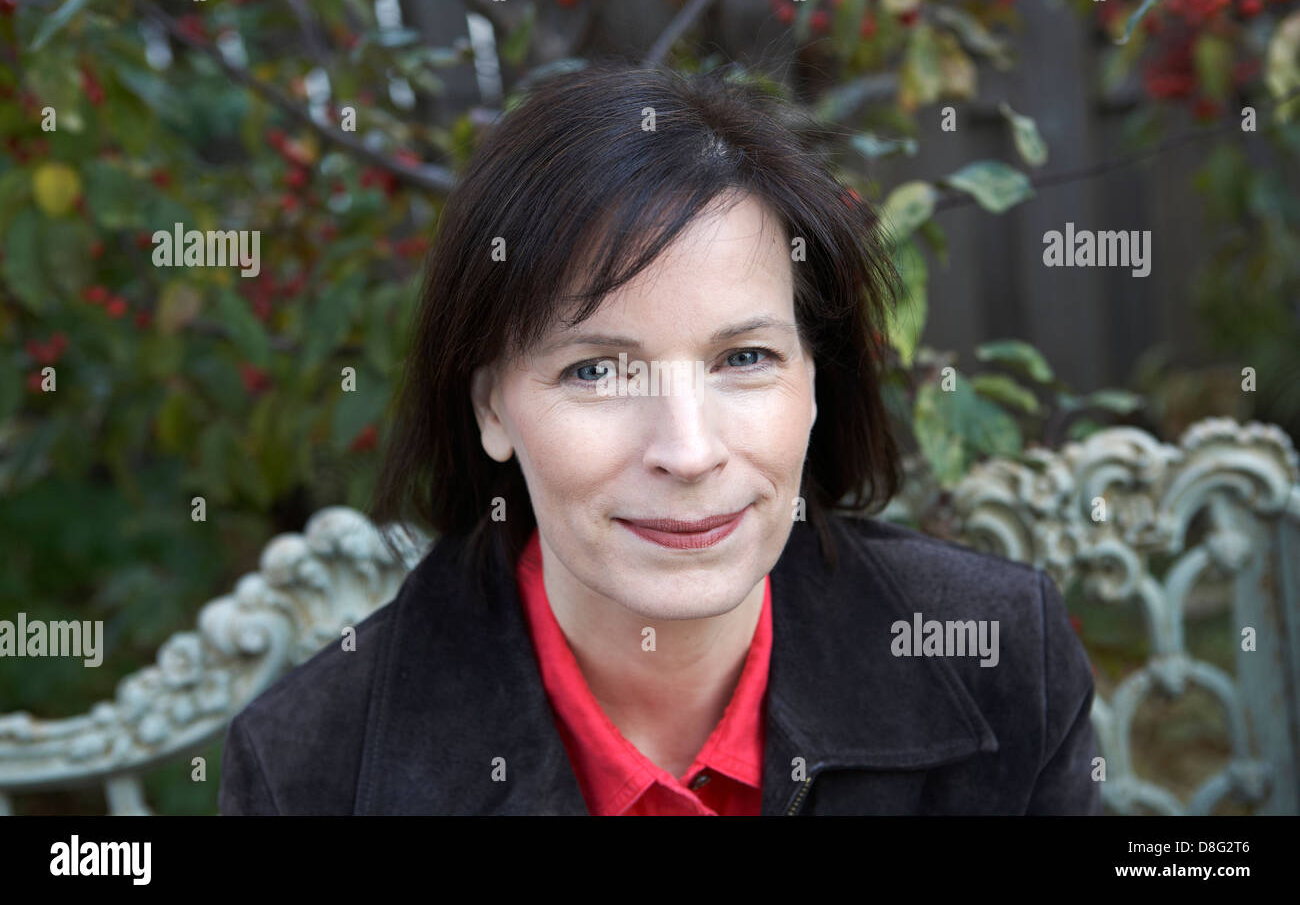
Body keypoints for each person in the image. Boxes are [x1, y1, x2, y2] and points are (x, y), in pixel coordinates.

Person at [218, 59, 1101, 815]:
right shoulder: (310, 771)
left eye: (745, 357)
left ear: (816, 377)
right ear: (491, 408)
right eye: (596, 371)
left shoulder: (997, 651)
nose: (687, 451)